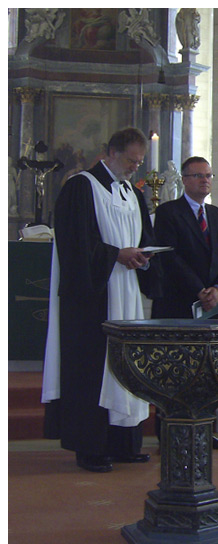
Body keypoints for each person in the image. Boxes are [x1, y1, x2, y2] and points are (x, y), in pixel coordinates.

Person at [41, 127, 162, 473]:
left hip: (125, 293)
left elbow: (144, 237)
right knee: (92, 368)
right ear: (110, 152)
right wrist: (115, 255)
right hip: (92, 297)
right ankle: (90, 446)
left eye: (139, 162)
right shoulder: (82, 187)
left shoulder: (132, 194)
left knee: (123, 367)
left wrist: (144, 257)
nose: (134, 168)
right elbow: (75, 243)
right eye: (130, 160)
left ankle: (123, 442)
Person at [150, 156, 218, 449]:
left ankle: (205, 431)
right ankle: (169, 435)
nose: (205, 180)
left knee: (207, 372)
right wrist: (199, 288)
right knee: (174, 370)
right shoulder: (168, 213)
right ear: (184, 180)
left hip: (210, 306)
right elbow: (169, 257)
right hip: (177, 303)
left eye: (209, 175)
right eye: (198, 175)